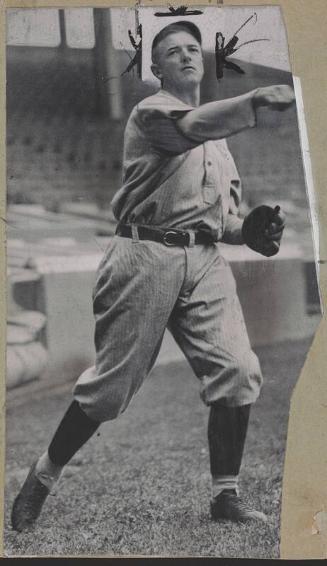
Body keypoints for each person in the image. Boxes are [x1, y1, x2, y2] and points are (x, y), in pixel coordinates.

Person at [11, 20, 294, 532]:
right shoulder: (151, 112)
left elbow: (223, 221)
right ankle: (44, 473)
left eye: (193, 48)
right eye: (172, 51)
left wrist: (251, 232)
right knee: (110, 391)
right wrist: (253, 100)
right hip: (144, 252)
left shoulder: (221, 145)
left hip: (204, 260)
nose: (186, 56)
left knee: (239, 370)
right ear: (155, 68)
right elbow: (190, 128)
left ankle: (225, 496)